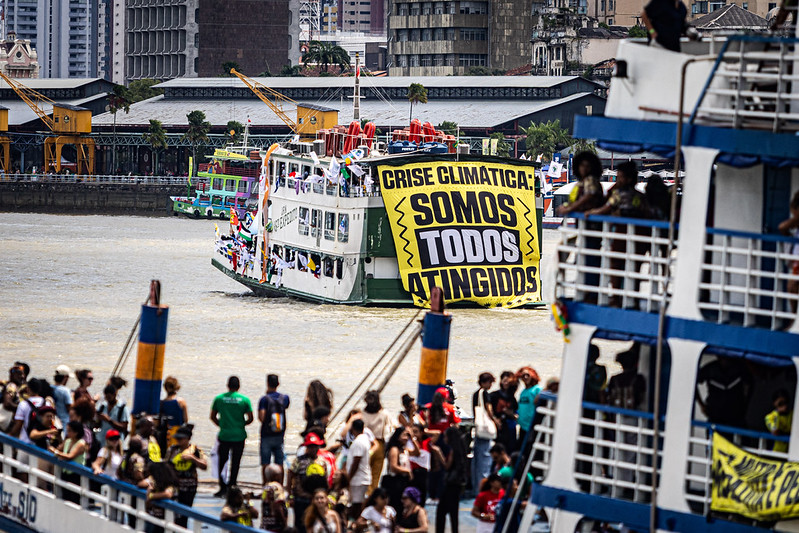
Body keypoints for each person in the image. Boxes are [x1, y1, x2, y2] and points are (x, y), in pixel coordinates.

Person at [587, 161, 648, 307]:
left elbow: (605, 208)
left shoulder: (619, 194)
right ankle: (632, 298)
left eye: (620, 177)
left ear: (627, 178)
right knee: (635, 267)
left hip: (622, 232)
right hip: (639, 236)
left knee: (616, 264)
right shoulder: (640, 196)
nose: (618, 180)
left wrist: (591, 212)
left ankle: (615, 297)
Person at [604, 345, 647, 498]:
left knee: (617, 449)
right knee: (631, 451)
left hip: (617, 417)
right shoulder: (638, 378)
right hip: (633, 417)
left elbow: (609, 397)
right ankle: (627, 482)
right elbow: (641, 397)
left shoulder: (615, 379)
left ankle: (615, 478)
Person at [210, 375, 253, 497]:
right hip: (239, 435)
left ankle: (222, 487)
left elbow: (212, 416)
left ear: (227, 386)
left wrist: (221, 424)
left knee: (222, 462)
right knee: (235, 462)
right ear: (239, 386)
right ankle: (232, 485)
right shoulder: (244, 400)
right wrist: (241, 424)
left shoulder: (219, 399)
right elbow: (250, 418)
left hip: (224, 435)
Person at [164, 425, 208, 527]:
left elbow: (204, 466)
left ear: (188, 438)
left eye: (181, 438)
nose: (178, 441)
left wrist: (192, 458)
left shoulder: (195, 451)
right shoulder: (172, 449)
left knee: (184, 514)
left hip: (189, 487)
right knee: (173, 514)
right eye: (177, 438)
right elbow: (166, 466)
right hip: (175, 487)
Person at [288, 432, 330, 533]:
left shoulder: (322, 462)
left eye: (315, 446)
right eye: (311, 446)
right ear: (307, 447)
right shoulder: (298, 461)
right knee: (300, 526)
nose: (313, 449)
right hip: (300, 498)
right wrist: (290, 496)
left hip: (316, 500)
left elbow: (325, 480)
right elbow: (290, 476)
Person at [696, 356, 750, 428]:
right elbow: (693, 382)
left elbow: (750, 384)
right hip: (715, 416)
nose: (724, 359)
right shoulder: (710, 369)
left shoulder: (740, 368)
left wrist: (746, 404)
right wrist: (701, 405)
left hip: (735, 416)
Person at [431, 426, 467, 533]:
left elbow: (447, 466)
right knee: (453, 513)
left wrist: (439, 454)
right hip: (457, 485)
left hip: (451, 485)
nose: (444, 439)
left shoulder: (453, 451)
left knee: (441, 511)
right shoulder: (460, 450)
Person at [259, 373, 290, 483]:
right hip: (280, 435)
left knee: (265, 463)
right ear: (278, 384)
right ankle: (280, 485)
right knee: (280, 463)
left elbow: (261, 418)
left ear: (267, 383)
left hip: (266, 435)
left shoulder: (264, 399)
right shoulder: (285, 398)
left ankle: (265, 486)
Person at [361, 390, 393, 492]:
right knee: (375, 475)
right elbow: (390, 429)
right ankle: (371, 494)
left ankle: (366, 494)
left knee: (364, 473)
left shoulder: (361, 414)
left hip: (365, 444)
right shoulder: (384, 414)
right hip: (379, 444)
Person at [471, 372, 496, 498]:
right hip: (485, 431)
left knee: (477, 461)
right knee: (485, 461)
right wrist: (495, 421)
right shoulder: (484, 393)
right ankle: (482, 490)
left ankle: (476, 488)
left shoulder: (475, 394)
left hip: (478, 430)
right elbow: (488, 409)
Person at [381, 427, 418, 512]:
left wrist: (412, 438)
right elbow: (393, 466)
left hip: (402, 481)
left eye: (407, 436)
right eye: (404, 435)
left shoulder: (404, 450)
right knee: (395, 504)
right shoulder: (394, 449)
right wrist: (407, 471)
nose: (406, 438)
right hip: (394, 482)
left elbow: (417, 452)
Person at [51, 420, 88, 504]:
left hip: (75, 475)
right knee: (64, 496)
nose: (67, 433)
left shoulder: (81, 444)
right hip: (65, 472)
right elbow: (59, 449)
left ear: (76, 432)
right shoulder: (67, 441)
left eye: (69, 431)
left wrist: (55, 452)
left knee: (74, 498)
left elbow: (70, 456)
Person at [346, 418, 372, 519]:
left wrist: (349, 477)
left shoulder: (358, 442)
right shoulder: (364, 439)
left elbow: (356, 462)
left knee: (356, 504)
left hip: (358, 478)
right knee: (357, 503)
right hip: (361, 478)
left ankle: (357, 522)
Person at [779, 191, 799, 313]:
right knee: (792, 287)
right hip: (797, 260)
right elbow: (783, 228)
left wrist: (796, 219)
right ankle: (794, 316)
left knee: (792, 286)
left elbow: (782, 227)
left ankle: (794, 316)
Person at [144, 462, 179, 533]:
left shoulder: (170, 486)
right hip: (154, 518)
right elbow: (147, 505)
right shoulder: (155, 486)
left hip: (166, 519)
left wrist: (152, 496)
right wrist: (149, 491)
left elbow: (168, 494)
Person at [490, 372, 519, 453]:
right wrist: (495, 420)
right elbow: (488, 410)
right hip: (497, 427)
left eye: (509, 382)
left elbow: (516, 414)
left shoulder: (512, 398)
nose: (506, 383)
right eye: (504, 381)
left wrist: (510, 414)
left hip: (509, 428)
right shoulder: (493, 395)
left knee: (510, 449)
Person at [516, 366, 542, 453]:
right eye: (523, 376)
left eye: (527, 375)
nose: (525, 377)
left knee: (529, 450)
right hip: (522, 426)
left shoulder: (537, 389)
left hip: (532, 426)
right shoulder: (523, 392)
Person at [159, 376, 188, 447]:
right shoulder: (181, 401)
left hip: (165, 434)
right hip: (178, 433)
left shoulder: (161, 403)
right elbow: (186, 420)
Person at [261, 464, 289, 532]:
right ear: (276, 476)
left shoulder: (266, 487)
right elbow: (278, 505)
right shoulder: (277, 487)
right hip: (276, 523)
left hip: (267, 522)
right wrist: (284, 523)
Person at [0, 365, 26, 433]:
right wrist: (22, 409)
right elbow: (7, 403)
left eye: (23, 374)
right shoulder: (12, 386)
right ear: (12, 375)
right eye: (19, 374)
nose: (22, 376)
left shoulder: (21, 386)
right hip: (8, 422)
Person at [52, 365, 73, 435]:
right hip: (64, 422)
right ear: (65, 377)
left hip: (52, 422)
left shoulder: (49, 388)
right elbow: (69, 408)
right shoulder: (65, 390)